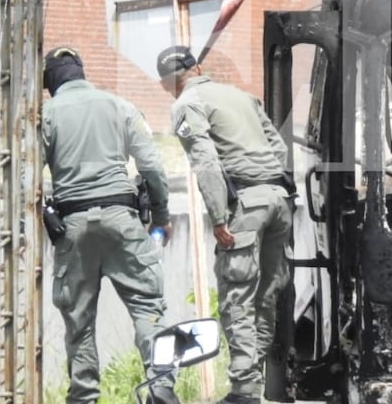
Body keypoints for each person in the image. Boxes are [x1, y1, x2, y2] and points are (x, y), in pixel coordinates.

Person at [41, 46, 179, 404]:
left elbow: (26, 173)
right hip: (123, 221)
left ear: (51, 82)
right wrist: (161, 217)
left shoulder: (48, 112)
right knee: (148, 307)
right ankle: (161, 385)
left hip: (72, 225)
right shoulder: (119, 105)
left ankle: (84, 397)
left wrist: (43, 209)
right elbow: (151, 166)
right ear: (81, 73)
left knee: (79, 320)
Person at [156, 45, 293, 404]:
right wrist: (269, 183)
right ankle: (254, 381)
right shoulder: (241, 96)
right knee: (266, 294)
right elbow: (278, 147)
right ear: (199, 67)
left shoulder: (186, 104)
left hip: (245, 206)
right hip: (278, 198)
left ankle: (245, 391)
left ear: (165, 83)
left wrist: (218, 215)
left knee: (237, 298)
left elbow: (205, 162)